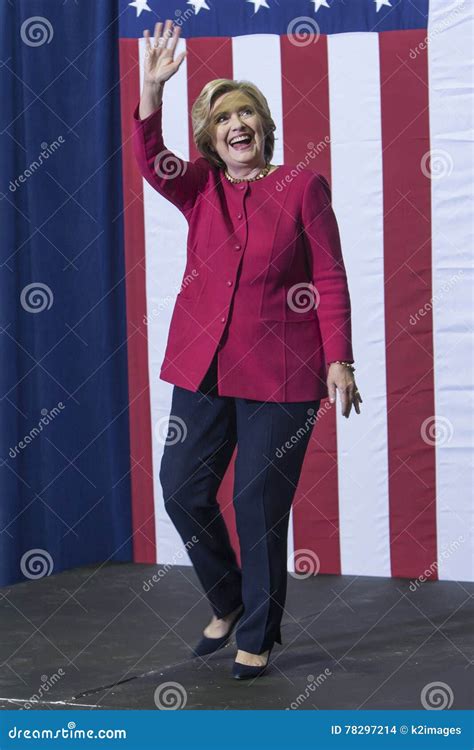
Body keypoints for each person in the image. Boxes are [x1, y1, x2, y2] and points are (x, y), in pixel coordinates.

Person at [133, 20, 362, 680]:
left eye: (248, 114)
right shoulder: (199, 187)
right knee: (181, 489)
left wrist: (339, 359)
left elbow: (329, 278)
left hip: (283, 378)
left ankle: (259, 632)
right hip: (201, 371)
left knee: (257, 504)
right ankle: (229, 599)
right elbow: (152, 160)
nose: (238, 124)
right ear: (209, 136)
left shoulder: (302, 187)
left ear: (263, 126)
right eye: (224, 117)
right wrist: (152, 89)